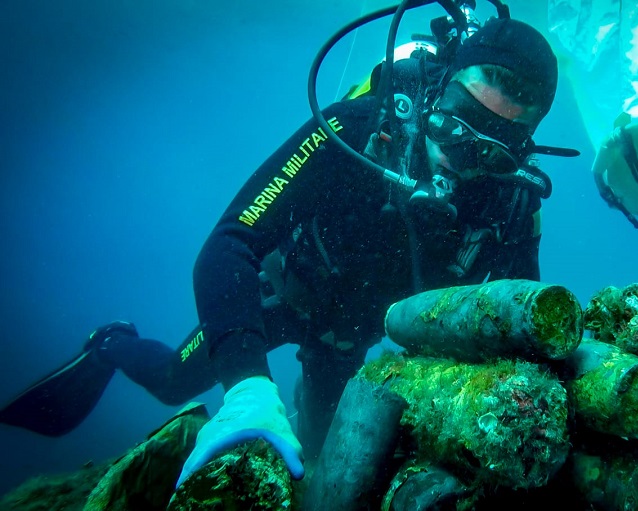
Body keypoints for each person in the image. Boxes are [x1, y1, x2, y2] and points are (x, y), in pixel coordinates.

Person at [0, 12, 568, 486]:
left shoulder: (513, 205)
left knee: (322, 453)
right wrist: (247, 387)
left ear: (520, 149)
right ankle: (110, 344)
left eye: (491, 154)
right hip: (281, 296)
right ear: (438, 88)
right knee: (173, 379)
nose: (460, 163)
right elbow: (230, 242)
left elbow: (515, 325)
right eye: (455, 127)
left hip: (349, 339)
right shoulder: (355, 131)